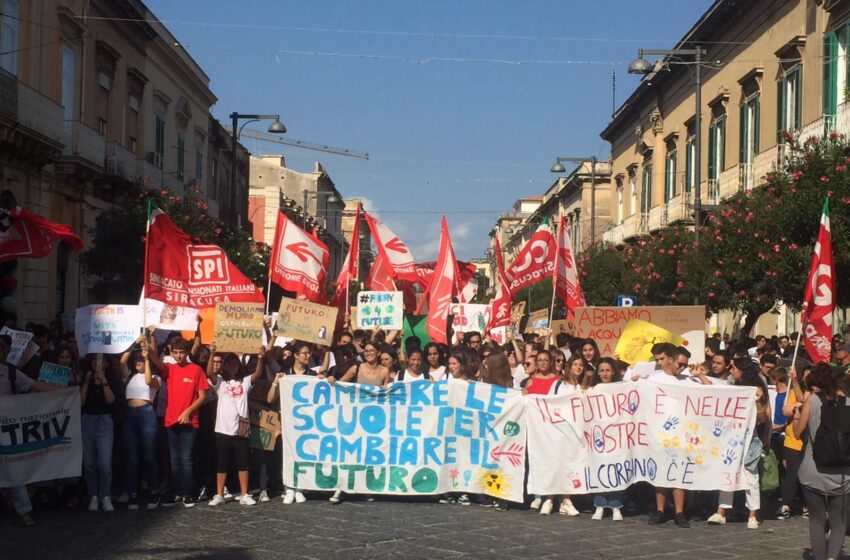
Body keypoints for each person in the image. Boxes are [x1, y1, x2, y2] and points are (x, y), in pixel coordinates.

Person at [0, 334, 60, 526]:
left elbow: (35, 385)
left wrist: (65, 391)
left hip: (6, 429)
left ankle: (24, 510)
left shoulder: (11, 372)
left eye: (2, 349)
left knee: (13, 469)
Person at [791, 364, 850, 560]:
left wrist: (796, 415)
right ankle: (832, 557)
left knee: (816, 520)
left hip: (813, 470)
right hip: (843, 473)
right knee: (839, 521)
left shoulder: (812, 401)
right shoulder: (849, 403)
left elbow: (798, 433)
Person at [707, 358, 770, 529]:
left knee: (751, 476)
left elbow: (764, 418)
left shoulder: (756, 390)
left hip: (749, 440)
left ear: (742, 370)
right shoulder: (734, 388)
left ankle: (753, 514)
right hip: (731, 438)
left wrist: (757, 401)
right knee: (728, 472)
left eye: (734, 368)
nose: (731, 371)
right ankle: (721, 511)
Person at [147, 336, 209, 508]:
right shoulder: (170, 369)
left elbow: (202, 397)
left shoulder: (196, 370)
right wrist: (147, 343)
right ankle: (176, 491)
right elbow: (154, 359)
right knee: (174, 459)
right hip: (171, 420)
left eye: (182, 352)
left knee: (187, 458)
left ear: (187, 352)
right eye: (175, 353)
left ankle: (188, 493)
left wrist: (188, 411)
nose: (179, 356)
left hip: (190, 421)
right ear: (171, 353)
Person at [205, 345, 265, 507]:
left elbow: (257, 374)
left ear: (238, 366)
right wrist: (211, 353)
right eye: (229, 364)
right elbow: (210, 372)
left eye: (234, 364)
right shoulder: (220, 382)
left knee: (243, 461)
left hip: (242, 426)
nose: (232, 366)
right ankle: (219, 494)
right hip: (223, 428)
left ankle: (244, 493)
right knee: (222, 461)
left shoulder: (245, 382)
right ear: (225, 366)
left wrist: (260, 357)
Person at [120, 338, 162, 510]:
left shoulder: (155, 378)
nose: (137, 362)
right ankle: (133, 494)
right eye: (136, 360)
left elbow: (147, 382)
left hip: (146, 414)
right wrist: (132, 345)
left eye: (141, 360)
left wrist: (147, 359)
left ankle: (154, 492)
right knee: (132, 457)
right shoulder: (129, 376)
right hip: (130, 416)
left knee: (149, 455)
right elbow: (122, 361)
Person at [522, 349, 562, 516]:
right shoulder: (530, 381)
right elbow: (523, 399)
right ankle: (538, 493)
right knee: (536, 458)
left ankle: (550, 495)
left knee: (551, 459)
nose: (543, 363)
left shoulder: (558, 380)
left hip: (551, 427)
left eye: (546, 360)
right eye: (540, 360)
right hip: (535, 427)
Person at [80, 354, 118, 512]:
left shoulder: (110, 378)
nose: (97, 362)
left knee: (104, 462)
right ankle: (93, 495)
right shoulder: (86, 377)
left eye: (101, 359)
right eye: (95, 359)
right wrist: (87, 383)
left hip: (104, 421)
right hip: (88, 420)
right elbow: (81, 401)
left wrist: (103, 380)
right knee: (89, 463)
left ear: (107, 363)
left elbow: (111, 400)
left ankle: (105, 495)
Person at [589, 358, 625, 521]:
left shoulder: (620, 388)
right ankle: (600, 505)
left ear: (613, 372)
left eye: (608, 370)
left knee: (616, 469)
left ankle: (616, 506)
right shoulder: (594, 389)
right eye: (602, 370)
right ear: (598, 372)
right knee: (600, 468)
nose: (605, 373)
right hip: (599, 435)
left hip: (616, 435)